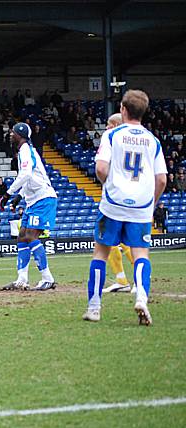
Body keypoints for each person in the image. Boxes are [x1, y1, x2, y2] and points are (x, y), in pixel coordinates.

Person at [82, 90, 167, 325]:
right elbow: (162, 179)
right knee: (141, 253)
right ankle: (141, 297)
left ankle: (94, 307)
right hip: (141, 205)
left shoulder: (112, 135)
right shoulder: (153, 140)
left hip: (113, 202)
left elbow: (100, 169)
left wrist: (110, 184)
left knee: (101, 253)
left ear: (123, 109)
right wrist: (152, 202)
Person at [0, 122, 58, 291]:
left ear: (20, 135)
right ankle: (22, 279)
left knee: (31, 236)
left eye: (13, 133)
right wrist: (18, 198)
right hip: (33, 200)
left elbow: (25, 174)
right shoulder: (24, 152)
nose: (11, 135)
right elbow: (29, 178)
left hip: (43, 199)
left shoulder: (26, 150)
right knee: (22, 236)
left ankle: (48, 278)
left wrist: (8, 193)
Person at [100, 113, 136, 294]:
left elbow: (101, 168)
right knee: (117, 241)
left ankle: (132, 279)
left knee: (116, 240)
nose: (106, 128)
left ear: (115, 126)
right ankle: (128, 279)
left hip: (116, 197)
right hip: (130, 196)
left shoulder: (112, 141)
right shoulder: (135, 143)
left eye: (108, 125)